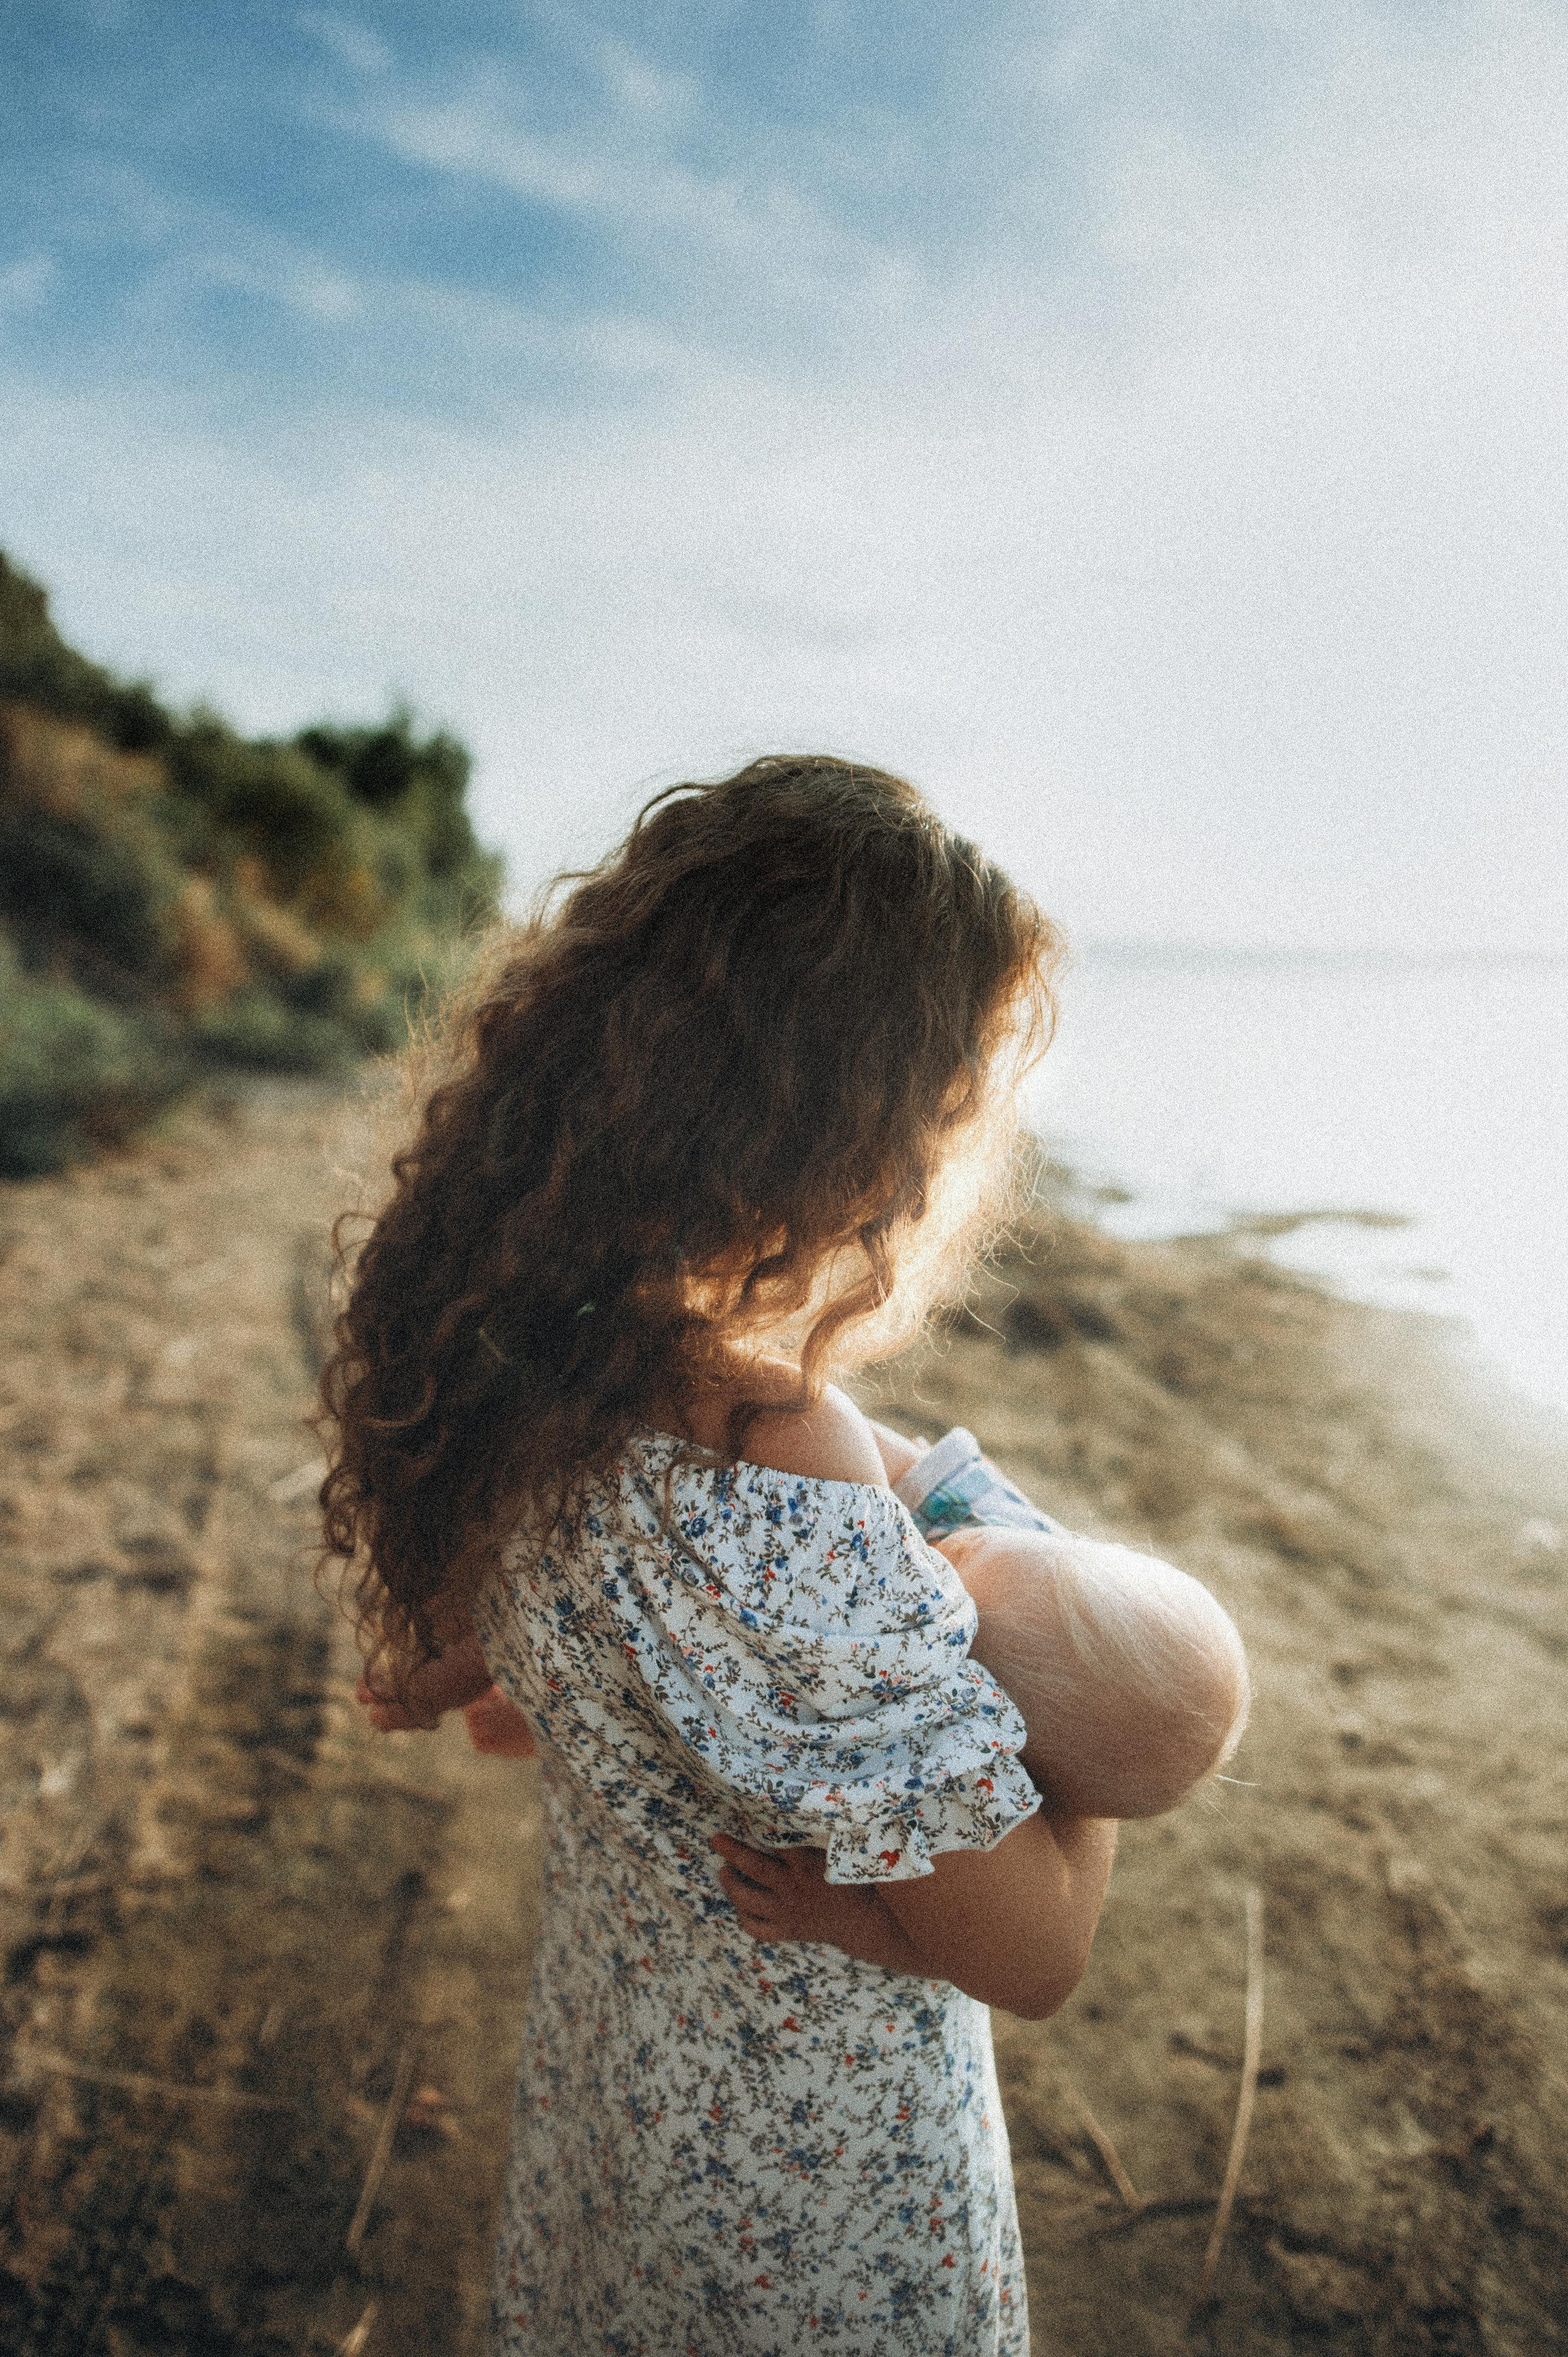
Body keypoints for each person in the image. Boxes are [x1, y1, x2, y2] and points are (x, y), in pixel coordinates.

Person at [324, 756, 1248, 2356]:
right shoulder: (788, 1464)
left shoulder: (529, 1366)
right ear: (861, 1137)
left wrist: (496, 1656)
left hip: (620, 2105)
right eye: (952, 1108)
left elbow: (627, 1640)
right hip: (821, 2195)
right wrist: (1083, 1749)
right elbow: (1037, 1955)